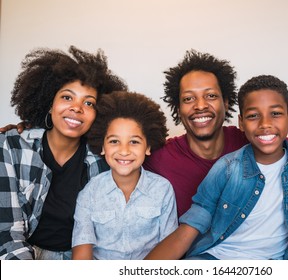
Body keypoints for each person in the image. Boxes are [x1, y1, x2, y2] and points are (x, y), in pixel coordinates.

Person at [145, 75, 288, 260]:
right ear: (241, 122)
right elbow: (192, 224)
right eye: (253, 116)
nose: (265, 124)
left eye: (275, 114)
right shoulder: (227, 167)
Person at [0, 46, 127, 260]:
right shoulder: (12, 146)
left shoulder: (103, 158)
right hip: (24, 254)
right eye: (67, 98)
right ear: (50, 104)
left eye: (89, 103)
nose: (77, 108)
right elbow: (6, 234)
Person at [71, 91, 177, 260]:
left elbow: (169, 247)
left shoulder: (162, 189)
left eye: (134, 142)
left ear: (148, 147)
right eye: (114, 141)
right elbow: (81, 253)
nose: (124, 151)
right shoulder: (90, 192)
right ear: (102, 146)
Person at [143, 50, 248, 217]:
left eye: (211, 96)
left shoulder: (249, 143)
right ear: (178, 109)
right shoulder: (158, 158)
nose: (200, 106)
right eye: (188, 98)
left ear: (226, 103)